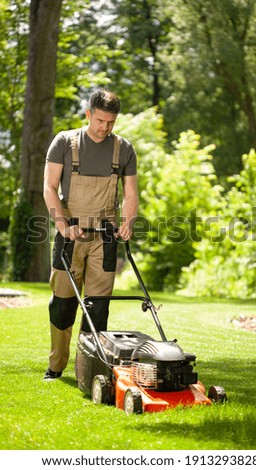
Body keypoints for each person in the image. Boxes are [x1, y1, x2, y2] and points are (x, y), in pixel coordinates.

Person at [43, 88, 138, 380]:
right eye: (99, 120)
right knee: (63, 303)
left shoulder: (123, 149)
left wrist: (128, 222)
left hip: (105, 237)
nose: (104, 128)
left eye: (110, 122)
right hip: (71, 234)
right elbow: (49, 187)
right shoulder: (64, 142)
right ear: (88, 114)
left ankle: (88, 369)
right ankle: (56, 365)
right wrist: (62, 225)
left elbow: (131, 193)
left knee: (97, 307)